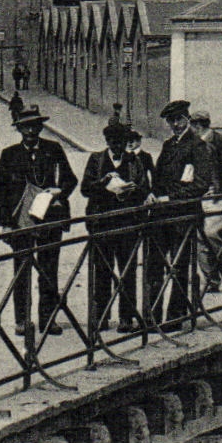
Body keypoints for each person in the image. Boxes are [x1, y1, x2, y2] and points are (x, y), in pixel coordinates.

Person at [0, 106, 78, 337]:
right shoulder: (9, 154)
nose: (30, 131)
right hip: (20, 222)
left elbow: (70, 179)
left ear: (40, 127)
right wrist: (5, 223)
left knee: (49, 270)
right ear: (19, 129)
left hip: (49, 219)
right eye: (25, 127)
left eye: (34, 126)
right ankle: (22, 320)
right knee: (21, 271)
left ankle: (48, 319)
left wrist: (59, 191)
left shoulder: (53, 149)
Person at [81, 123, 152, 333]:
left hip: (127, 224)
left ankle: (126, 317)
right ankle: (101, 316)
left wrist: (132, 189)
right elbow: (85, 189)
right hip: (102, 224)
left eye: (120, 142)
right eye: (113, 142)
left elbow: (144, 188)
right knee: (102, 270)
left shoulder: (134, 161)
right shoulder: (96, 160)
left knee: (127, 271)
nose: (117, 146)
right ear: (107, 142)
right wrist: (103, 183)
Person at [149, 100, 205, 329]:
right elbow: (158, 176)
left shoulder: (197, 146)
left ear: (187, 119)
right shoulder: (168, 145)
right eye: (171, 121)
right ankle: (151, 318)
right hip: (161, 215)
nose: (175, 125)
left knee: (179, 267)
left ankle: (175, 317)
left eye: (179, 120)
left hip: (183, 216)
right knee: (154, 265)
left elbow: (200, 184)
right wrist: (153, 193)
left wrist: (170, 198)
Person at [192, 110, 222, 295]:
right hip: (200, 196)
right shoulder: (193, 143)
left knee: (211, 233)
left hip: (220, 197)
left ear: (198, 126)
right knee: (199, 239)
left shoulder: (220, 142)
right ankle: (211, 279)